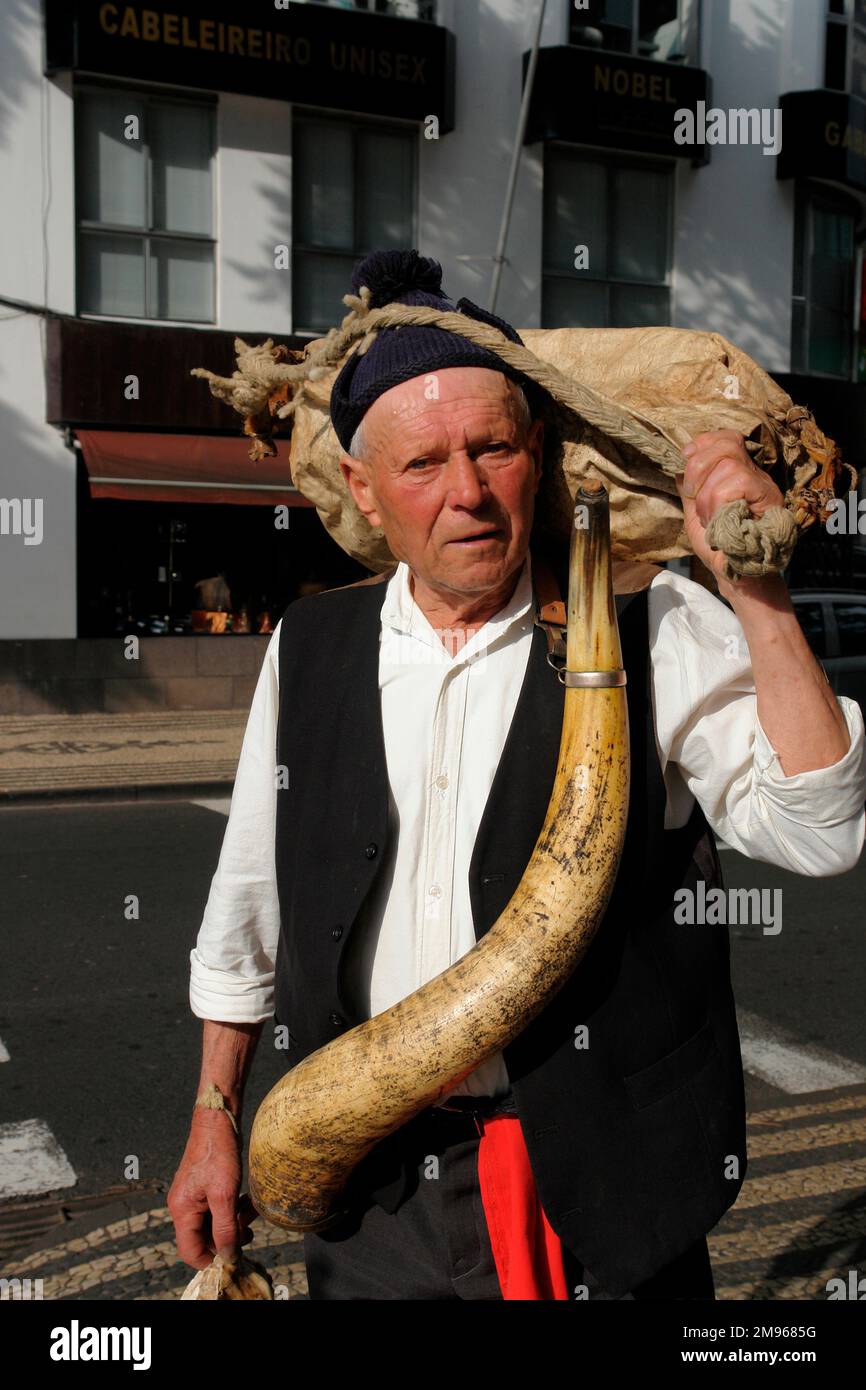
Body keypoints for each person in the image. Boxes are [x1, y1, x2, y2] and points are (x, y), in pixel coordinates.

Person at [168, 250, 866, 1300]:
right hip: (373, 1189)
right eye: (422, 466)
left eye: (491, 448)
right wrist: (215, 1116)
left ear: (536, 452)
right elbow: (249, 902)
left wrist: (753, 588)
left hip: (601, 1188)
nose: (467, 494)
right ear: (361, 488)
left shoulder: (648, 617)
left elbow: (820, 829)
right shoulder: (308, 644)